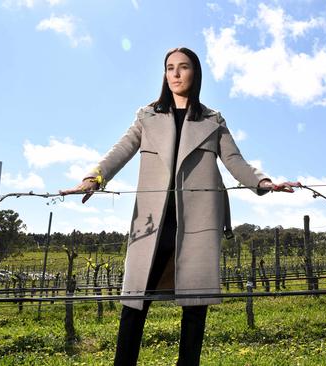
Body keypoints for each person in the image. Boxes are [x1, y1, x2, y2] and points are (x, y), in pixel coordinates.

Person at [60, 47, 300, 366]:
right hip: (152, 222)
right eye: (169, 67)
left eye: (182, 67)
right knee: (134, 304)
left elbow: (234, 161)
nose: (175, 73)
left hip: (197, 221)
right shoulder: (147, 116)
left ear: (194, 73)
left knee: (195, 307)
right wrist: (95, 177)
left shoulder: (213, 120)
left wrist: (264, 182)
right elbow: (120, 150)